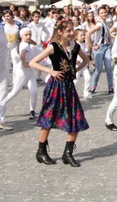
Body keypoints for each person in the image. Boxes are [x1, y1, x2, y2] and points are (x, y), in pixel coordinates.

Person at [29, 20, 90, 167]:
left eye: (72, 30)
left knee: (76, 118)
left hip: (69, 86)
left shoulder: (75, 46)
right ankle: (41, 151)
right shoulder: (53, 47)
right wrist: (50, 71)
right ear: (60, 32)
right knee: (48, 118)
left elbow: (86, 59)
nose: (71, 33)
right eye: (68, 31)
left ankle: (67, 153)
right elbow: (33, 62)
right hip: (55, 86)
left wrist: (76, 69)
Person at [2, 27, 39, 119]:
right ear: (21, 36)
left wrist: (32, 41)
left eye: (30, 34)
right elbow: (22, 55)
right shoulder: (24, 45)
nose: (29, 36)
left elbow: (34, 43)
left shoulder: (26, 43)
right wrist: (23, 63)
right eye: (26, 35)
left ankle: (32, 110)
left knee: (34, 90)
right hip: (23, 70)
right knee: (15, 92)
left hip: (29, 70)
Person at [86, 6, 114, 95]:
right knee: (98, 69)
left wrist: (110, 42)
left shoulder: (106, 23)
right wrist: (92, 45)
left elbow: (108, 35)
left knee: (109, 67)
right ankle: (93, 86)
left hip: (107, 47)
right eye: (101, 13)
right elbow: (88, 33)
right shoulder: (99, 24)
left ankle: (111, 86)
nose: (104, 14)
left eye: (105, 12)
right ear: (99, 14)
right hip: (99, 47)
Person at [73, 29, 92, 99]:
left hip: (83, 65)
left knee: (88, 78)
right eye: (81, 35)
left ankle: (86, 93)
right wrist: (74, 61)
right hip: (77, 65)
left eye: (84, 35)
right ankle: (73, 94)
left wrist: (87, 62)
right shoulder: (74, 45)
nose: (83, 37)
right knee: (75, 80)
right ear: (76, 36)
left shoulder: (83, 44)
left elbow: (86, 54)